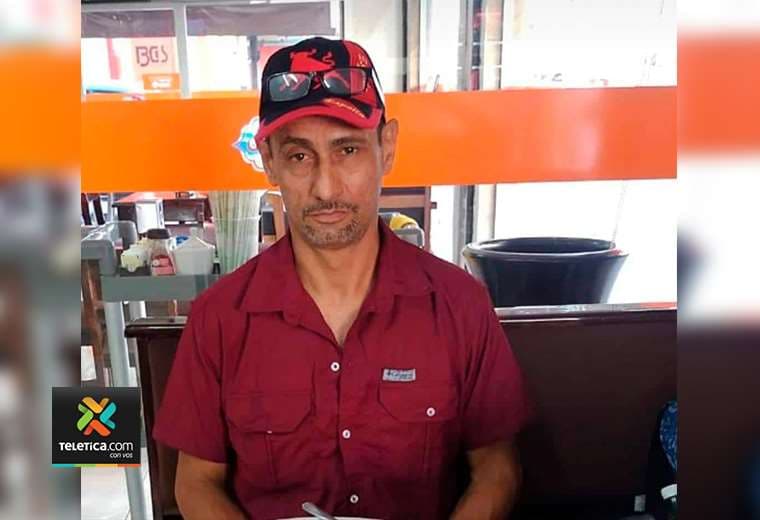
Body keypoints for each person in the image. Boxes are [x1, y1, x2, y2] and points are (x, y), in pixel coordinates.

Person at [153, 37, 529, 520]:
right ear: (268, 160)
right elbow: (195, 482)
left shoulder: (459, 305)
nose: (326, 187)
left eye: (347, 150)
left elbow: (497, 469)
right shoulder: (220, 318)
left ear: (386, 148)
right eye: (299, 156)